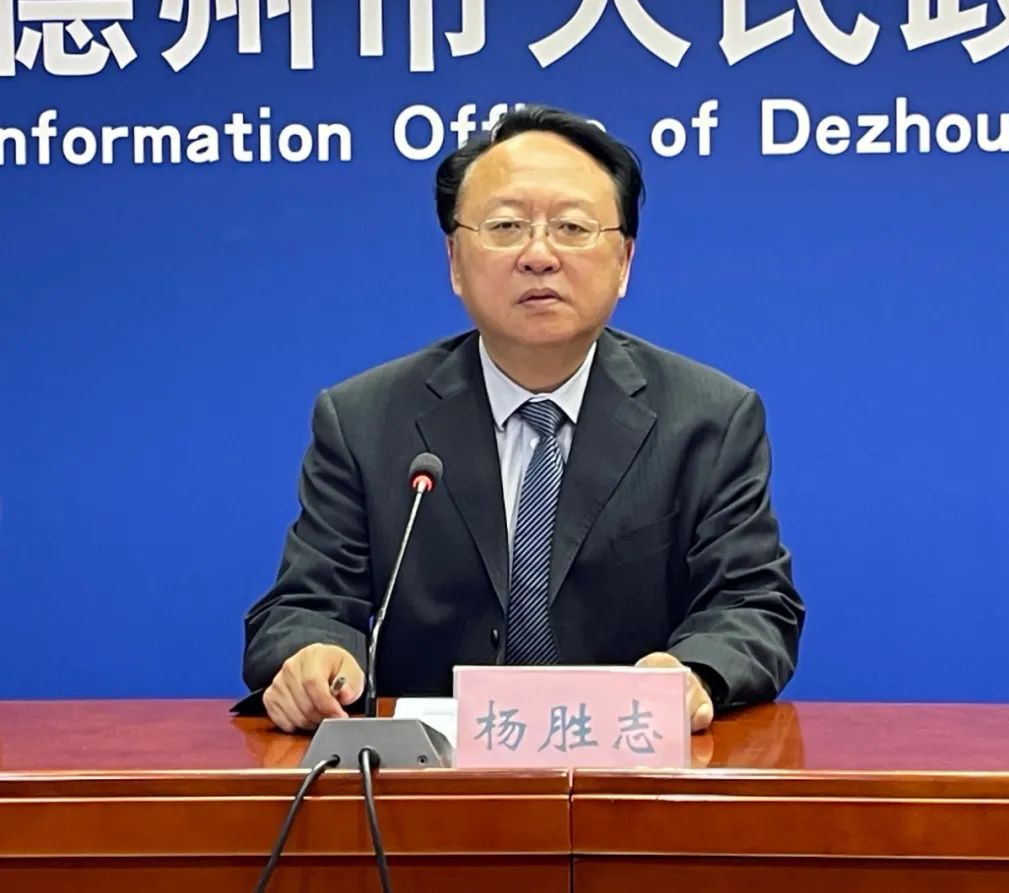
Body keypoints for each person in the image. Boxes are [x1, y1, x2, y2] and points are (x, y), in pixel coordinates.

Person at [237, 104, 805, 735]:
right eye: (506, 226)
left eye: (572, 227)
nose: (539, 255)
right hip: (427, 779)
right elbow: (306, 604)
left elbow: (752, 603)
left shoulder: (709, 419)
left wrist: (692, 672)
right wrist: (314, 655)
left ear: (624, 262)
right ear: (455, 261)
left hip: (630, 765)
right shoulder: (364, 420)